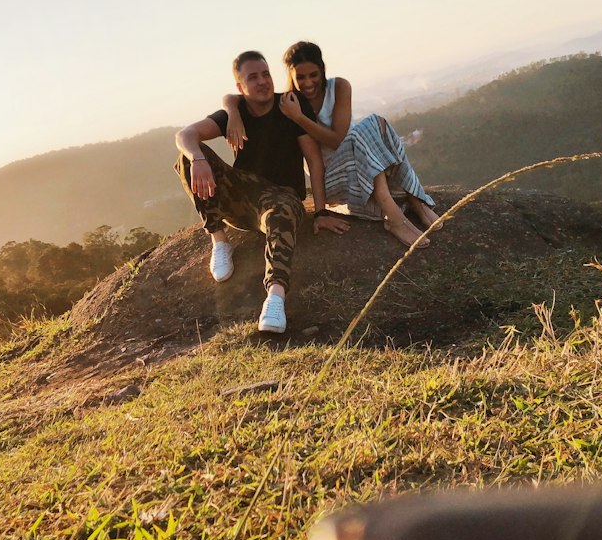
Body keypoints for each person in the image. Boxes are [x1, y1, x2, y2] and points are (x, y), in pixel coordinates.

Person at [175, 50, 349, 334]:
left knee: (280, 210)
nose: (262, 82)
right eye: (252, 77)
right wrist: (197, 158)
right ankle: (219, 241)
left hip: (282, 197)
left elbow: (314, 161)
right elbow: (184, 135)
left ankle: (275, 298)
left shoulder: (290, 107)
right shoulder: (236, 111)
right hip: (243, 197)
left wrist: (320, 212)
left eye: (266, 74)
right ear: (240, 87)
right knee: (187, 156)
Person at [224, 41, 440, 247]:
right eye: (301, 77)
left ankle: (416, 201)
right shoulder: (289, 103)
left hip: (360, 163)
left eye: (313, 75)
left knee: (378, 124)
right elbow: (232, 97)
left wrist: (299, 118)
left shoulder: (339, 87)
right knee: (368, 126)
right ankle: (394, 217)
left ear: (322, 70)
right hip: (330, 179)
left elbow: (337, 138)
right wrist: (233, 113)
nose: (308, 83)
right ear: (291, 76)